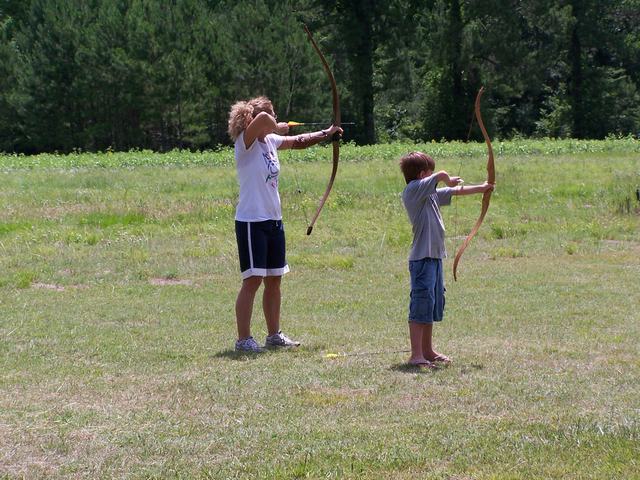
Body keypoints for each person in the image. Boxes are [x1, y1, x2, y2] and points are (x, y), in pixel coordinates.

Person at [227, 96, 342, 352]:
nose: (276, 119)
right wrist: (275, 126)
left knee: (274, 279)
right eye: (273, 115)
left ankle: (274, 335)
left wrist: (328, 133)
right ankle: (243, 339)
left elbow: (299, 141)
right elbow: (267, 121)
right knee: (253, 280)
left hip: (273, 220)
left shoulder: (269, 141)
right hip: (251, 221)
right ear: (255, 119)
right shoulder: (245, 143)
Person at [399, 151, 494, 368]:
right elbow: (442, 176)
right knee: (421, 303)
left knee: (431, 303)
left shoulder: (429, 194)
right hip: (422, 259)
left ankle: (427, 351)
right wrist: (445, 176)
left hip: (433, 258)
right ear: (423, 174)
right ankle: (416, 356)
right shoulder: (413, 191)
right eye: (430, 172)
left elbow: (452, 191)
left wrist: (483, 187)